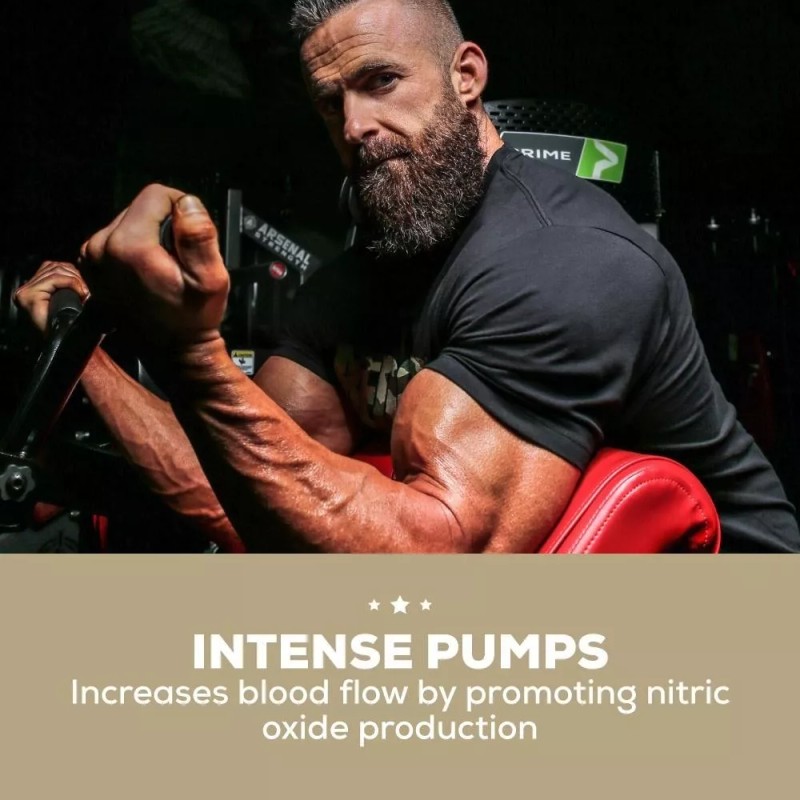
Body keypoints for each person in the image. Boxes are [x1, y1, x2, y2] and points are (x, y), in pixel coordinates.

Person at [15, 0, 800, 553]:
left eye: (381, 81)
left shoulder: (566, 260)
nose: (356, 126)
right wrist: (88, 351)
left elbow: (441, 568)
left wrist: (194, 357)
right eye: (331, 104)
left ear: (466, 76)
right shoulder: (350, 286)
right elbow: (246, 489)